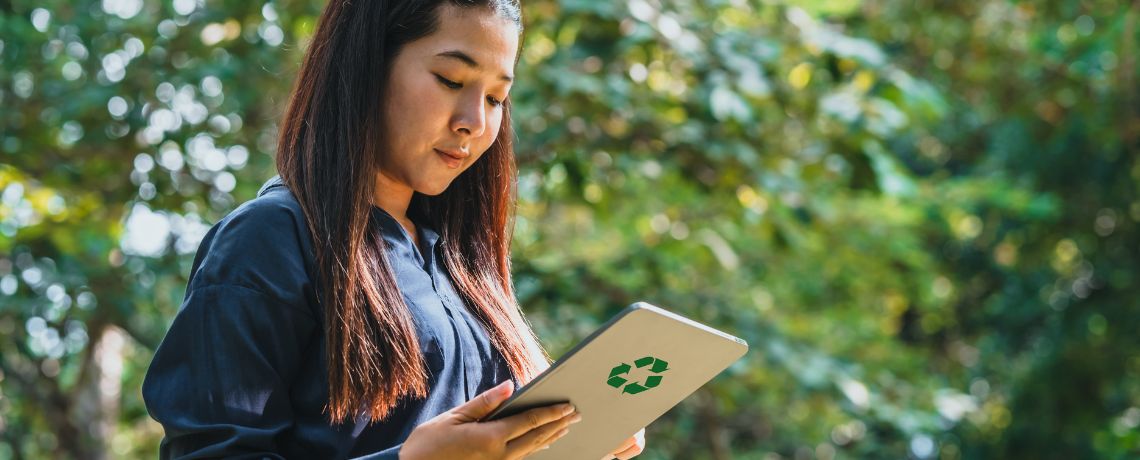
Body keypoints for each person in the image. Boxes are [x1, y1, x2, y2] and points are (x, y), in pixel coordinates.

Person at [141, 0, 646, 458]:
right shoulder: (270, 239)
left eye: (496, 98)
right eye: (451, 80)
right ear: (366, 68)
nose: (473, 120)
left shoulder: (459, 265)